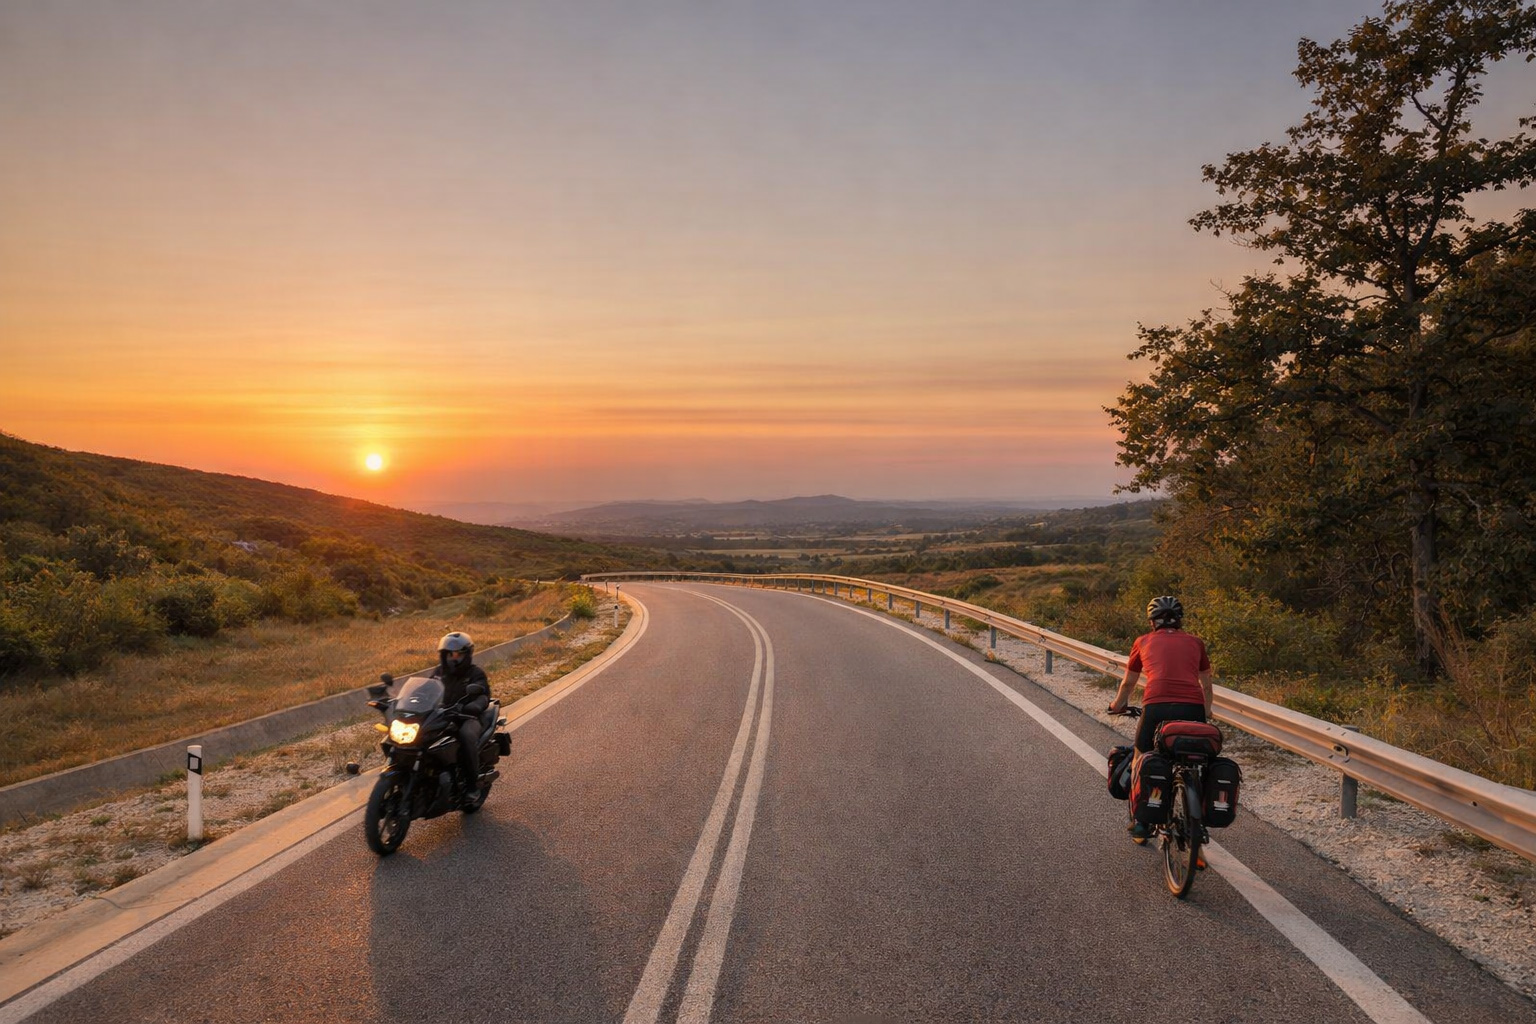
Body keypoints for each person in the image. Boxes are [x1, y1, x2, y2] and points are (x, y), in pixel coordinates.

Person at [1108, 595, 1214, 841]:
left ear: (1152, 622)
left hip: (1157, 707)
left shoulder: (1143, 641)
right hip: (1193, 708)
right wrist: (1206, 711)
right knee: (1197, 759)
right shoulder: (1196, 642)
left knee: (1140, 757)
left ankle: (1142, 821)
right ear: (1180, 621)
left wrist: (1117, 705)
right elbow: (1207, 686)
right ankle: (1197, 814)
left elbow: (1128, 684)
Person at [430, 631, 492, 801]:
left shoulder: (475, 673)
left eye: (457, 654)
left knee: (466, 735)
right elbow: (427, 690)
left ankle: (472, 785)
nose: (453, 658)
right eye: (449, 654)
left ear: (467, 655)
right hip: (443, 715)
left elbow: (483, 695)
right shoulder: (438, 672)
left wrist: (474, 706)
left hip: (468, 717)